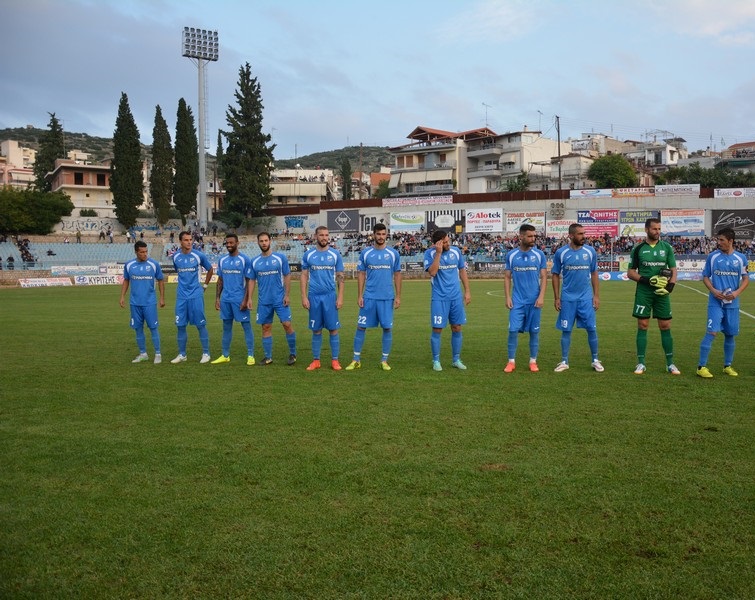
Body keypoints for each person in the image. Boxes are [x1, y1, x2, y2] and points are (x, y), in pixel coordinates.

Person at [345, 223, 402, 371]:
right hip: (369, 297)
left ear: (386, 235)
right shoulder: (366, 253)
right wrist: (360, 295)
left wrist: (398, 296)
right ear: (373, 235)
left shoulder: (393, 254)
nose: (381, 237)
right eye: (378, 234)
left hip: (387, 297)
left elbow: (397, 275)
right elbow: (361, 274)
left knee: (387, 328)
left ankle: (384, 360)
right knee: (361, 326)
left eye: (383, 234)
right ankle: (356, 359)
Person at [627, 217, 679, 375]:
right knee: (643, 325)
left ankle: (670, 364)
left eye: (659, 229)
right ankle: (641, 363)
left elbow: (673, 269)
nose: (657, 232)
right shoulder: (638, 249)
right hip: (644, 292)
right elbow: (630, 273)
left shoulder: (666, 247)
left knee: (665, 325)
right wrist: (647, 280)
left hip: (661, 293)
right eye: (654, 229)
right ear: (646, 230)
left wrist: (670, 287)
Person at [696, 227, 749, 378]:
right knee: (712, 332)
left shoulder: (741, 258)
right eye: (718, 240)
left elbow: (746, 279)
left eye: (721, 240)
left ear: (730, 241)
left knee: (730, 334)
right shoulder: (713, 257)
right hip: (716, 301)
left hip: (732, 303)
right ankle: (701, 367)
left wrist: (736, 293)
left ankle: (727, 366)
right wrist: (713, 290)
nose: (718, 243)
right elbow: (705, 276)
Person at [551, 223, 604, 372]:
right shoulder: (561, 253)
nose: (583, 236)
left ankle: (595, 360)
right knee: (566, 330)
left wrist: (596, 296)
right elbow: (555, 274)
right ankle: (564, 361)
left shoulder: (590, 251)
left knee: (591, 329)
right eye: (580, 234)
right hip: (568, 299)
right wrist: (556, 298)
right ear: (571, 235)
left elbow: (594, 273)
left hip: (586, 298)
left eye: (584, 233)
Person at [423, 229, 471, 371]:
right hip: (439, 297)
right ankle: (436, 361)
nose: (448, 243)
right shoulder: (430, 254)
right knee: (437, 329)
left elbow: (462, 270)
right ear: (437, 243)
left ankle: (456, 359)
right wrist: (438, 253)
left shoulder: (456, 252)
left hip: (455, 297)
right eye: (444, 242)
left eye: (448, 240)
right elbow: (432, 272)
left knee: (457, 327)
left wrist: (467, 291)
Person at [248, 231, 297, 366]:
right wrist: (249, 298)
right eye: (261, 241)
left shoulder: (280, 258)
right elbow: (251, 280)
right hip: (264, 301)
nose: (264, 243)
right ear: (258, 243)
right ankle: (268, 357)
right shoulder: (254, 261)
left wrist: (287, 295)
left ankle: (293, 353)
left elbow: (287, 276)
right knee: (266, 327)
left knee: (287, 324)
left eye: (266, 240)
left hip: (280, 299)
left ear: (270, 241)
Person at [503, 223, 547, 373]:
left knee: (534, 332)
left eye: (534, 236)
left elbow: (544, 277)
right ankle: (511, 362)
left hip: (534, 301)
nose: (533, 238)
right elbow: (507, 277)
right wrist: (508, 297)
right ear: (521, 236)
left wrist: (541, 296)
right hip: (517, 301)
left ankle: (533, 361)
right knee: (513, 330)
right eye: (530, 236)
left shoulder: (539, 255)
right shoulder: (511, 255)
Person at [300, 226, 344, 370]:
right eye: (321, 235)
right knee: (316, 329)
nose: (324, 238)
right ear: (315, 236)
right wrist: (304, 296)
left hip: (330, 297)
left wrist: (340, 297)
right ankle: (316, 360)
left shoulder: (335, 254)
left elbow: (340, 276)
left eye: (326, 235)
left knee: (333, 329)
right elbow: (304, 275)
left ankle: (335, 360)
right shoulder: (308, 255)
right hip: (314, 297)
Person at [211, 233, 255, 365]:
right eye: (227, 243)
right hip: (226, 300)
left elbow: (249, 281)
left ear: (237, 243)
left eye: (231, 243)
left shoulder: (244, 259)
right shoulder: (222, 260)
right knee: (226, 327)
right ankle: (225, 355)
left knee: (246, 326)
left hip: (239, 299)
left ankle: (251, 355)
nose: (229, 245)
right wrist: (217, 298)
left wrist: (246, 299)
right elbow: (220, 280)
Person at [170, 230, 214, 363]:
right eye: (186, 240)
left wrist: (204, 286)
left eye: (190, 240)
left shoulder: (198, 255)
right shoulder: (176, 257)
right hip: (181, 296)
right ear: (180, 241)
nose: (189, 242)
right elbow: (178, 270)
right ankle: (182, 354)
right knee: (180, 325)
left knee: (200, 325)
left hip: (196, 295)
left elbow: (210, 269)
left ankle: (206, 353)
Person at [119, 240, 165, 363]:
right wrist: (122, 296)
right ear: (136, 252)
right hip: (135, 303)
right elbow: (126, 280)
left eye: (146, 251)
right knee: (138, 329)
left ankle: (158, 354)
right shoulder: (129, 265)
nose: (145, 254)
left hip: (150, 302)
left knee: (153, 328)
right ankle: (143, 353)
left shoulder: (154, 264)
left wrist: (161, 298)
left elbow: (161, 280)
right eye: (142, 252)